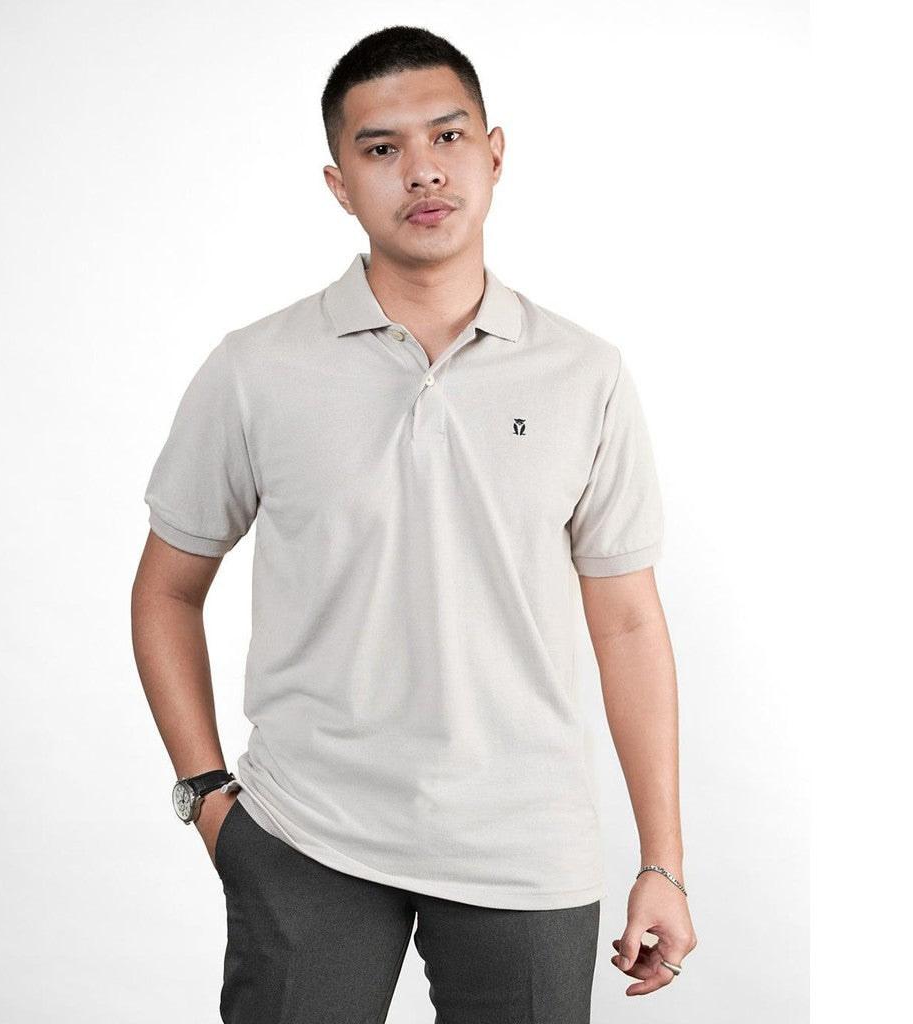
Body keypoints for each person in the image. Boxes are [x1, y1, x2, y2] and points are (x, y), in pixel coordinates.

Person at [131, 24, 697, 1023]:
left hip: (526, 846)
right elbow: (167, 590)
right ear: (339, 184)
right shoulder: (256, 368)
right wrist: (208, 796)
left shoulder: (584, 374)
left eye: (447, 136)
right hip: (306, 835)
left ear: (494, 154)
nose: (422, 171)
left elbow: (627, 624)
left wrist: (663, 860)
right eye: (382, 148)